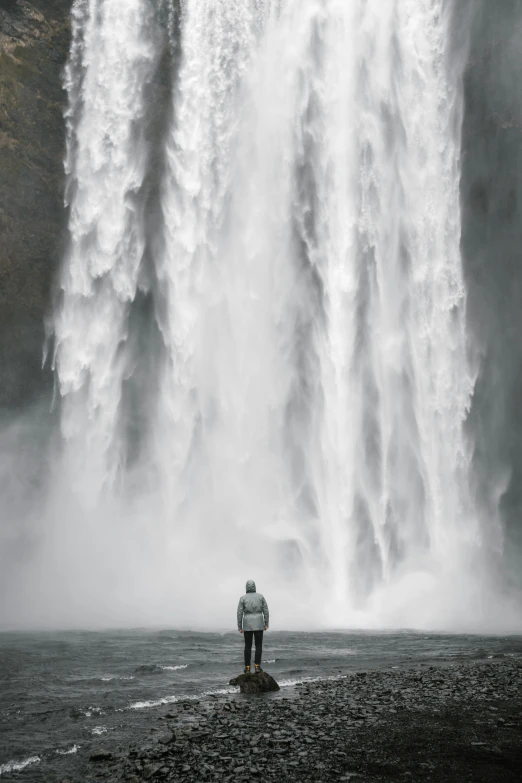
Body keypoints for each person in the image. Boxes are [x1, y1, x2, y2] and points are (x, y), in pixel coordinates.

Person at [237, 580, 269, 675]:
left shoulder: (242, 598)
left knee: (248, 646)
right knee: (258, 645)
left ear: (246, 587)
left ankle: (247, 668)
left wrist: (240, 626)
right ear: (254, 586)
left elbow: (239, 613)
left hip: (247, 625)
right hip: (259, 624)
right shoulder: (260, 597)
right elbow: (266, 610)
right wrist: (266, 623)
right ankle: (257, 667)